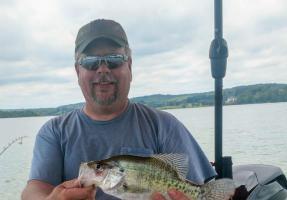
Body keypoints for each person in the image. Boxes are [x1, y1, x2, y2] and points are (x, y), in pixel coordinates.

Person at [21, 19, 217, 200]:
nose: (103, 69)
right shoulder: (54, 132)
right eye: (90, 62)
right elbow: (33, 191)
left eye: (114, 59)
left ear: (129, 66)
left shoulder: (164, 125)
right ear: (77, 71)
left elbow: (201, 186)